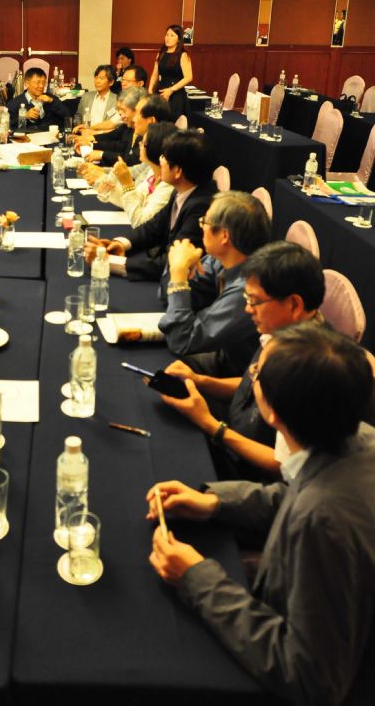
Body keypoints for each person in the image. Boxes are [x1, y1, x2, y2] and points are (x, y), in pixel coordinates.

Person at [147, 323, 375, 706]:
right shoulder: (361, 437)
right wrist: (216, 501)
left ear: (272, 412)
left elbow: (309, 677)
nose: (251, 372)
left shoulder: (322, 522)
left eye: (256, 372)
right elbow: (294, 493)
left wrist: (196, 578)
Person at [162, 240, 326, 479]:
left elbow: (285, 467)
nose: (248, 309)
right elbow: (252, 388)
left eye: (255, 301)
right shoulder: (280, 332)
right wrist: (200, 381)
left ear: (293, 304)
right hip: (234, 434)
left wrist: (210, 425)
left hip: (250, 474)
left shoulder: (311, 369)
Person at [158, 190, 271, 377]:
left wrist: (178, 272)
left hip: (243, 377)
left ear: (224, 236)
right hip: (222, 354)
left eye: (205, 222)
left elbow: (181, 341)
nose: (201, 226)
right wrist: (179, 269)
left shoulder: (247, 290)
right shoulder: (221, 259)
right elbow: (166, 296)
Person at [90, 130, 217, 282]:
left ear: (178, 171)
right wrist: (120, 244)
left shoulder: (202, 207)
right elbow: (153, 227)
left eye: (164, 157)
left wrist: (108, 261)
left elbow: (174, 262)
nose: (160, 160)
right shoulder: (184, 190)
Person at [96, 122, 176, 227]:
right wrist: (111, 190)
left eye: (143, 143)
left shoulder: (168, 186)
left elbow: (141, 223)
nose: (140, 145)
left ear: (155, 148)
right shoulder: (152, 173)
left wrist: (127, 184)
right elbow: (136, 200)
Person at [148, 24, 192, 121]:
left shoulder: (183, 55)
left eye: (172, 35)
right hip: (161, 91)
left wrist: (171, 90)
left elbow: (188, 77)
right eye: (167, 35)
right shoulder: (161, 53)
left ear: (179, 39)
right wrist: (150, 89)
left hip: (176, 93)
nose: (168, 38)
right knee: (158, 120)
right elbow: (155, 74)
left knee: (173, 122)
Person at [8, 67, 68, 131]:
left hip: (49, 135)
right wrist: (24, 116)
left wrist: (52, 101)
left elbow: (67, 116)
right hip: (26, 136)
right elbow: (8, 125)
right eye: (37, 82)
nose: (41, 86)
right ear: (27, 83)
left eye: (43, 82)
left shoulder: (50, 98)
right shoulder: (15, 103)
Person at [73, 65, 119, 133]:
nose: (97, 81)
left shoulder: (117, 100)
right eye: (96, 78)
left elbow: (116, 126)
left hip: (104, 136)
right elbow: (77, 116)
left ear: (111, 82)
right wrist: (80, 128)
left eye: (101, 78)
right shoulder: (86, 97)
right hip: (85, 134)